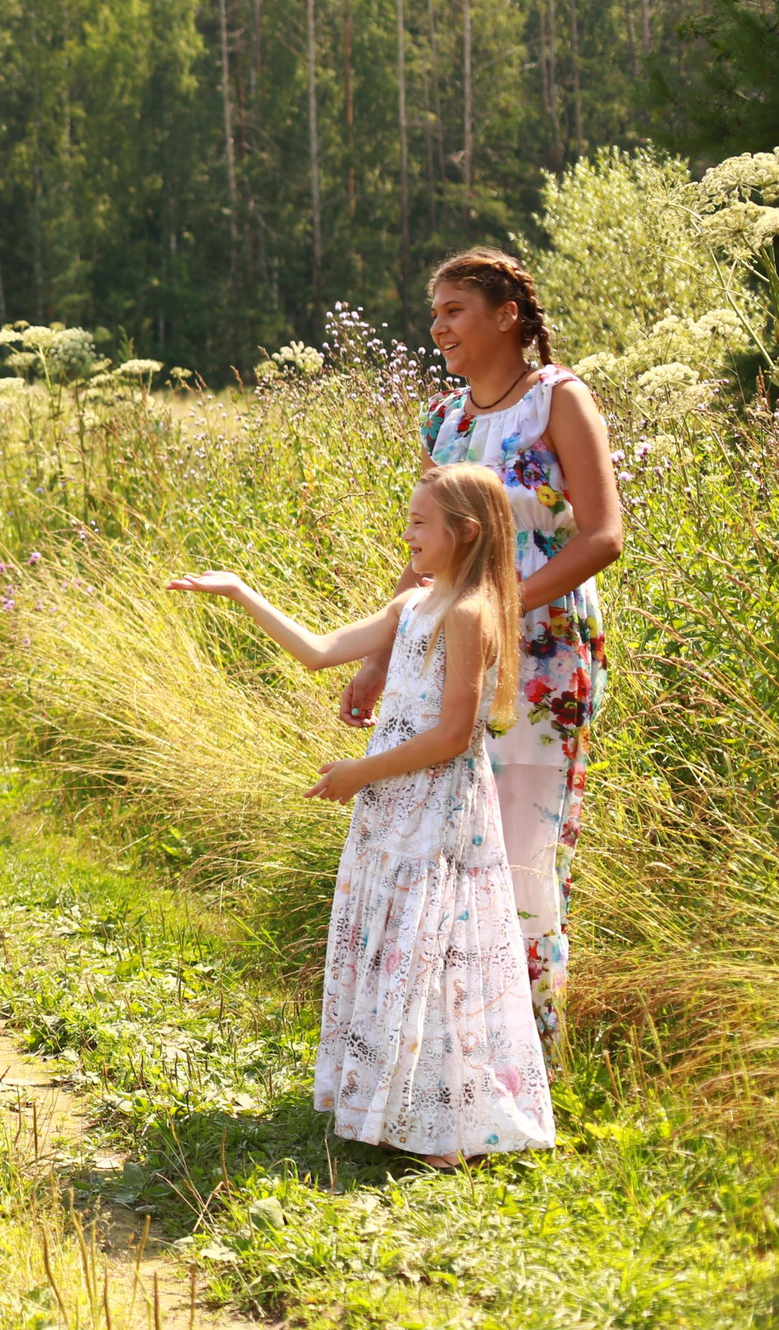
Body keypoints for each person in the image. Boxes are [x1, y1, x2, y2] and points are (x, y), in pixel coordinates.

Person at [168, 464, 556, 1165]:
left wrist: (357, 773)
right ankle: (392, 1105)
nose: (406, 533)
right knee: (396, 945)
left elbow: (451, 734)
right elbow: (318, 650)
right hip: (389, 806)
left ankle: (449, 1125)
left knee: (434, 949)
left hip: (434, 808)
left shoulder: (468, 614)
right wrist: (238, 590)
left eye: (418, 523)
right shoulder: (413, 607)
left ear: (463, 534)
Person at [342, 248, 620, 1047]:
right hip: (449, 654)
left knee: (524, 845)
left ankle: (523, 1056)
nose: (438, 327)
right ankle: (442, 1051)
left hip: (542, 661)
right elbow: (426, 548)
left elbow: (603, 535)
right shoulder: (447, 419)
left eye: (454, 308)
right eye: (433, 313)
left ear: (508, 314)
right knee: (447, 837)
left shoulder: (557, 400)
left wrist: (500, 606)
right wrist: (380, 653)